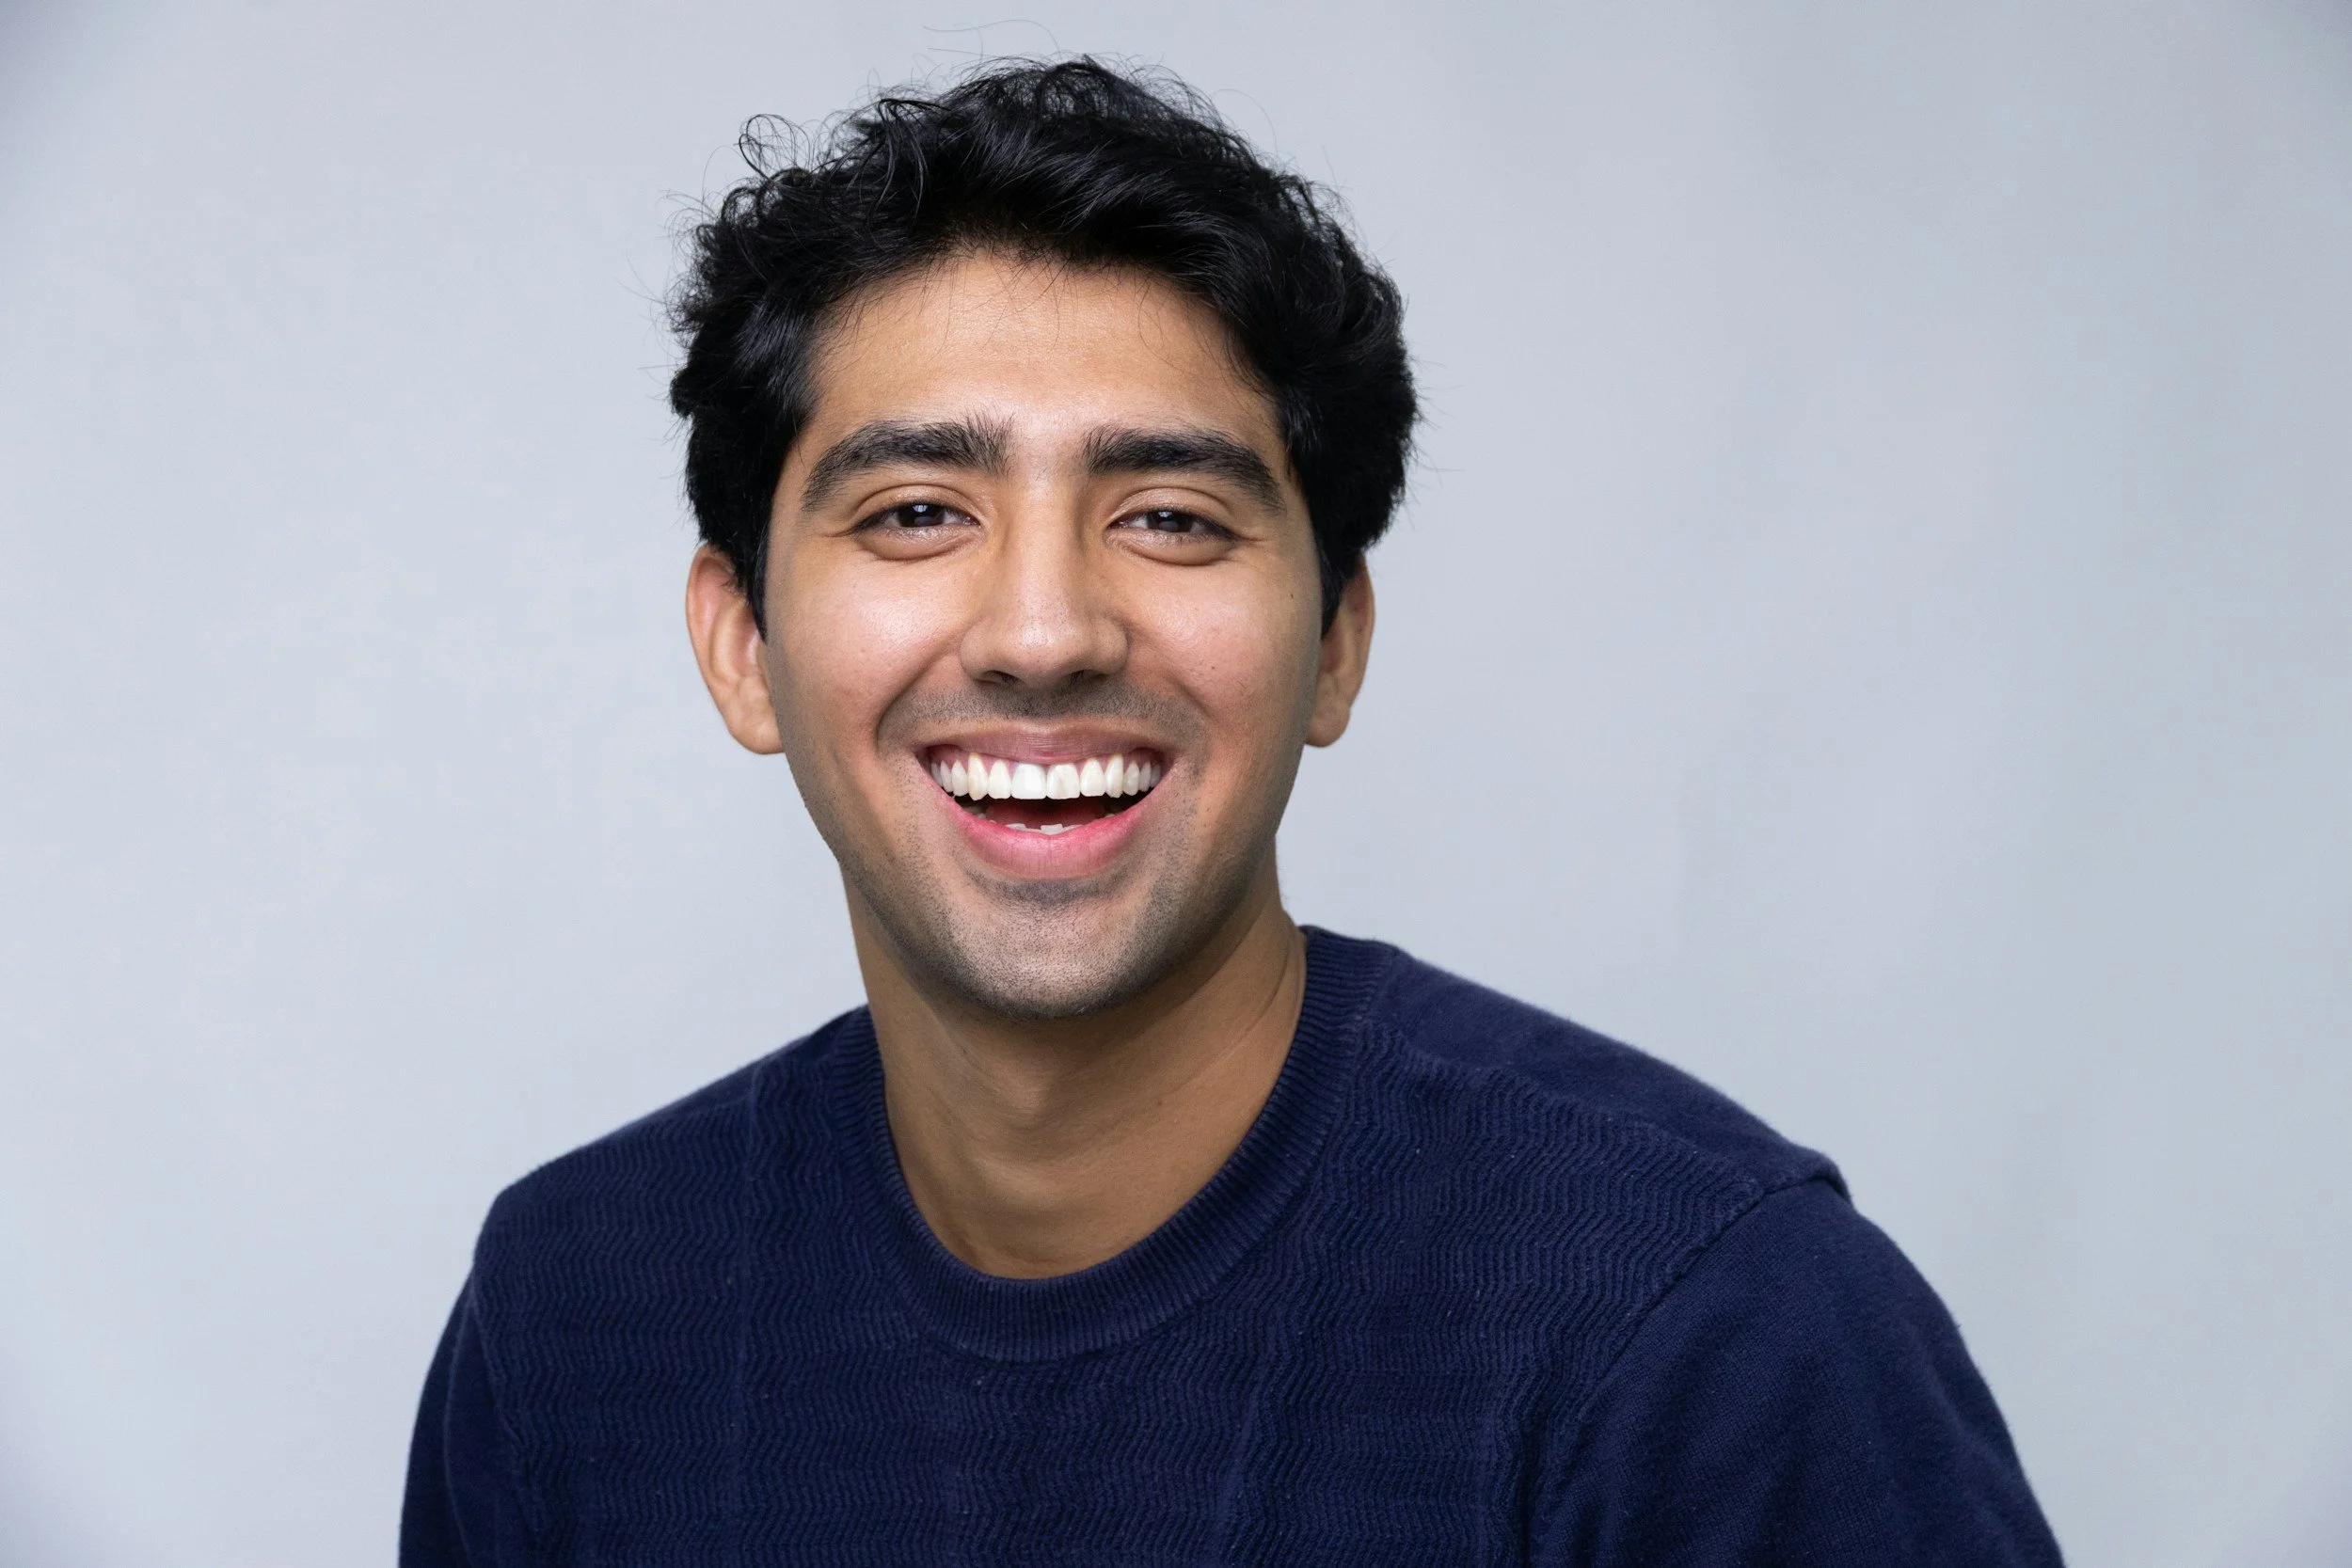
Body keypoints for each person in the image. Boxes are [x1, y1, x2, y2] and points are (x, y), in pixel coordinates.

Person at [401, 58, 2064, 1565]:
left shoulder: (1701, 1322)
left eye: (1172, 517)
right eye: (916, 511)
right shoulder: (575, 1318)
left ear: (1334, 641)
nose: (1043, 631)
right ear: (742, 643)